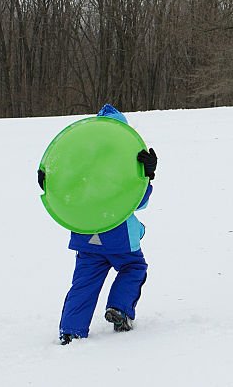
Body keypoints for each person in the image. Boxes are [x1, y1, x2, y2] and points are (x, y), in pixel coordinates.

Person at [38, 104, 158, 344]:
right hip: (119, 238)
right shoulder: (121, 167)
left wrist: (47, 182)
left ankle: (72, 330)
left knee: (84, 283)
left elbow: (65, 197)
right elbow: (138, 202)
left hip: (85, 236)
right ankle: (120, 309)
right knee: (134, 268)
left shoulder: (81, 165)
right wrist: (147, 175)